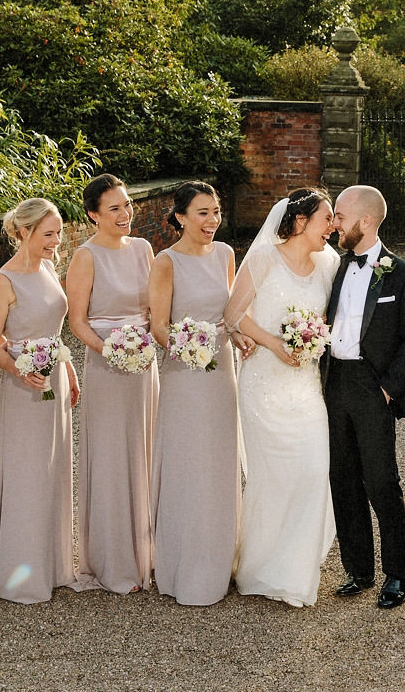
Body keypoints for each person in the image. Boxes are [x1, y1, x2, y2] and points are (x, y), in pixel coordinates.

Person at [226, 187, 341, 607]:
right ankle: (259, 569)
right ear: (298, 222)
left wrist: (314, 339)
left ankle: (296, 572)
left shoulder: (329, 265)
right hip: (263, 386)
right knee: (271, 477)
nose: (332, 226)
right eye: (325, 218)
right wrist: (274, 343)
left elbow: (330, 316)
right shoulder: (262, 258)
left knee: (313, 471)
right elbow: (233, 313)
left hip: (305, 387)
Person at [323, 185, 405, 610]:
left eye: (340, 215)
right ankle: (358, 569)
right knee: (342, 479)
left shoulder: (404, 275)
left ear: (365, 221)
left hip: (372, 385)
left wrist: (387, 388)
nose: (334, 223)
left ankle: (396, 574)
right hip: (333, 384)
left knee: (381, 482)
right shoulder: (331, 268)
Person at [0, 198, 79, 604]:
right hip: (23, 386)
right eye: (47, 234)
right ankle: (21, 574)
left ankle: (52, 565)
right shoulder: (2, 283)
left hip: (53, 376)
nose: (55, 242)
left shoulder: (48, 267)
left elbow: (54, 329)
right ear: (22, 232)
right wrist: (20, 371)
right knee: (26, 470)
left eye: (57, 233)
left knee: (53, 467)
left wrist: (68, 367)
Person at [148, 181, 240, 606]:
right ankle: (184, 565)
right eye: (202, 212)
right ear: (181, 217)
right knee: (189, 461)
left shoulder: (225, 255)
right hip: (185, 374)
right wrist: (188, 346)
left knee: (219, 462)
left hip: (221, 372)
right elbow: (158, 325)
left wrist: (239, 336)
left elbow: (233, 313)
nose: (212, 221)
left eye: (215, 211)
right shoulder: (165, 262)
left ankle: (220, 560)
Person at [67, 174, 157, 594]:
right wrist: (111, 352)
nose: (125, 214)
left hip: (145, 367)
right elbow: (77, 322)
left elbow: (155, 310)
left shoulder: (143, 249)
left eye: (127, 205)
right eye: (114, 208)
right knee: (111, 455)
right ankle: (114, 560)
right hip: (108, 366)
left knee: (145, 451)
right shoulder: (85, 257)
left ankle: (148, 554)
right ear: (93, 215)